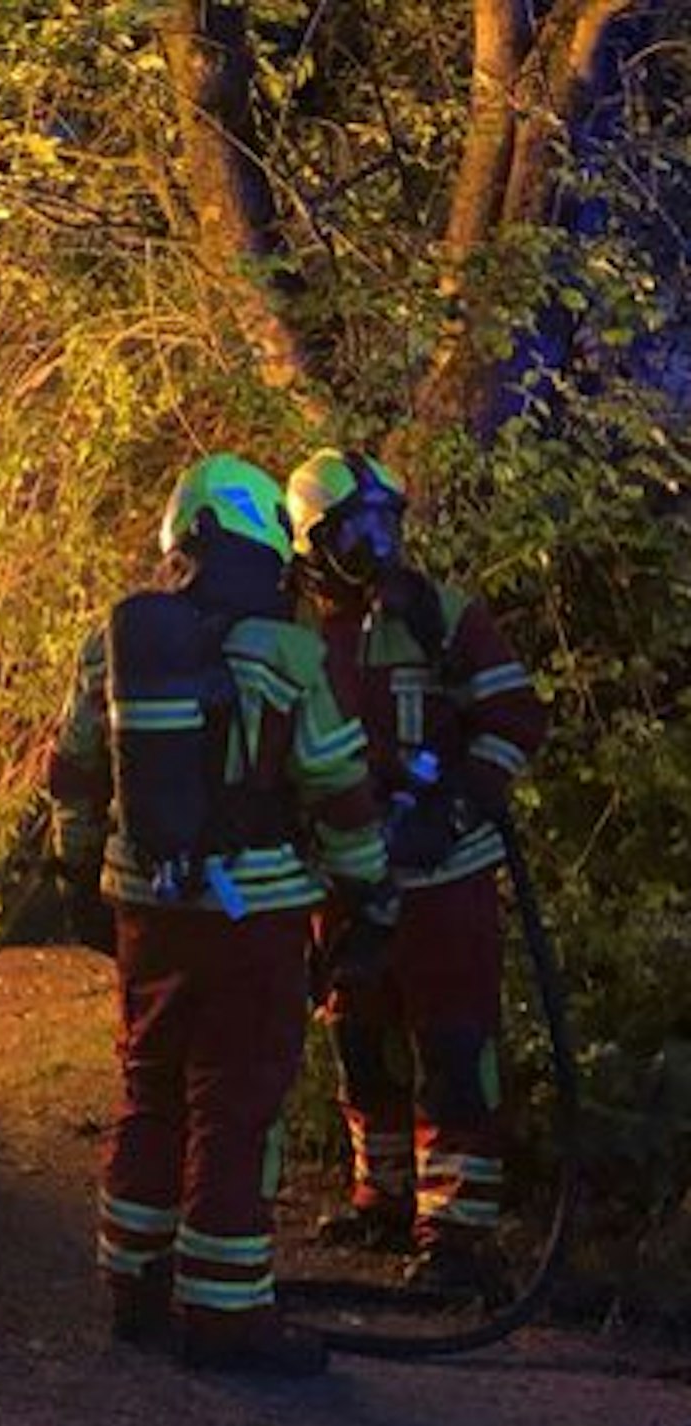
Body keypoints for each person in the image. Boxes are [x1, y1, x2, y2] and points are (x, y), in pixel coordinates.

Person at [49, 453, 396, 1377]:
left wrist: (85, 875)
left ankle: (133, 1287)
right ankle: (226, 1318)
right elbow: (336, 785)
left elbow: (75, 774)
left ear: (182, 543)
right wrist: (367, 891)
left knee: (151, 1088)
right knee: (235, 1107)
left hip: (146, 909)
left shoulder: (112, 645)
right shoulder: (288, 651)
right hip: (258, 916)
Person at [283, 449, 547, 1293]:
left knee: (453, 1046)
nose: (378, 543)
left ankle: (457, 1235)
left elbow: (512, 717)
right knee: (360, 1039)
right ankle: (384, 1196)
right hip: (347, 882)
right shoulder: (293, 634)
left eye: (386, 522)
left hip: (444, 880)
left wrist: (458, 804)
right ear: (310, 541)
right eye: (355, 527)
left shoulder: (442, 616)